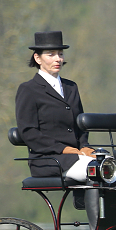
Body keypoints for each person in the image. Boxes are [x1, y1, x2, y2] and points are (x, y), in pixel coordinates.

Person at [15, 31, 95, 180]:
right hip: (47, 159)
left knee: (113, 166)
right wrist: (64, 149)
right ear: (37, 58)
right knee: (97, 171)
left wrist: (84, 146)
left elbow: (80, 125)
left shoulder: (71, 87)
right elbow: (28, 131)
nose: (58, 59)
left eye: (60, 54)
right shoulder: (28, 89)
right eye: (51, 54)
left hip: (78, 155)